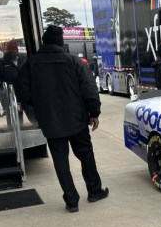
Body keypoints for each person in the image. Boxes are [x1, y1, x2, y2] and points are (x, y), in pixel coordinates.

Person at [18, 25, 108, 213]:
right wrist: (94, 113)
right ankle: (94, 191)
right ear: (61, 42)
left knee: (60, 161)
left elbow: (22, 92)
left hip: (51, 122)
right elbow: (89, 89)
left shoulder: (31, 64)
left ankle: (71, 201)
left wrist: (40, 107)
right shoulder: (73, 61)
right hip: (77, 119)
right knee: (86, 155)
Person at [0, 42, 36, 124]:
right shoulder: (2, 62)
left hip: (26, 93)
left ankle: (38, 128)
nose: (12, 52)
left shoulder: (24, 59)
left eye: (14, 50)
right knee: (17, 120)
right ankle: (19, 131)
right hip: (12, 95)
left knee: (33, 117)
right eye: (10, 50)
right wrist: (4, 88)